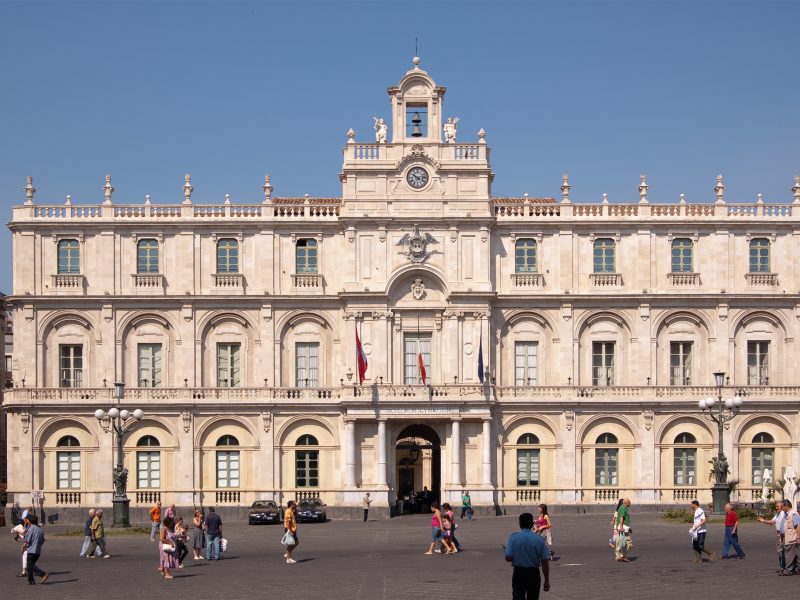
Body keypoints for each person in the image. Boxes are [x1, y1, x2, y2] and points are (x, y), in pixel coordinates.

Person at [504, 512, 551, 600]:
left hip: (519, 573)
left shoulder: (513, 537)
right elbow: (544, 561)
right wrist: (546, 580)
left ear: (519, 524)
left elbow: (508, 557)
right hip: (534, 573)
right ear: (532, 524)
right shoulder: (539, 539)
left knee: (518, 597)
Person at [758, 499, 787, 571]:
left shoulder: (784, 514)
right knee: (781, 551)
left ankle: (785, 567)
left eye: (777, 506)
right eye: (776, 506)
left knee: (782, 551)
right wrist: (764, 521)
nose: (776, 508)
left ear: (782, 506)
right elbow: (772, 521)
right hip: (779, 534)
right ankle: (785, 566)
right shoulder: (778, 514)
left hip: (783, 534)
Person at [22, 513, 48, 585]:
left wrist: (24, 545)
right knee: (30, 566)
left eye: (26, 520)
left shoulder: (31, 529)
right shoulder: (40, 529)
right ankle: (31, 580)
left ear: (29, 521)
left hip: (32, 550)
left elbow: (27, 540)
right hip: (38, 551)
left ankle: (43, 574)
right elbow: (43, 540)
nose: (25, 521)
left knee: (30, 565)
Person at [780, 499, 800, 576]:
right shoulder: (787, 514)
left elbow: (798, 526)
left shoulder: (794, 514)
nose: (781, 508)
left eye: (782, 506)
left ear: (786, 506)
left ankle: (788, 570)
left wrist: (798, 537)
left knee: (789, 554)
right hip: (788, 537)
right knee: (793, 555)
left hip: (792, 537)